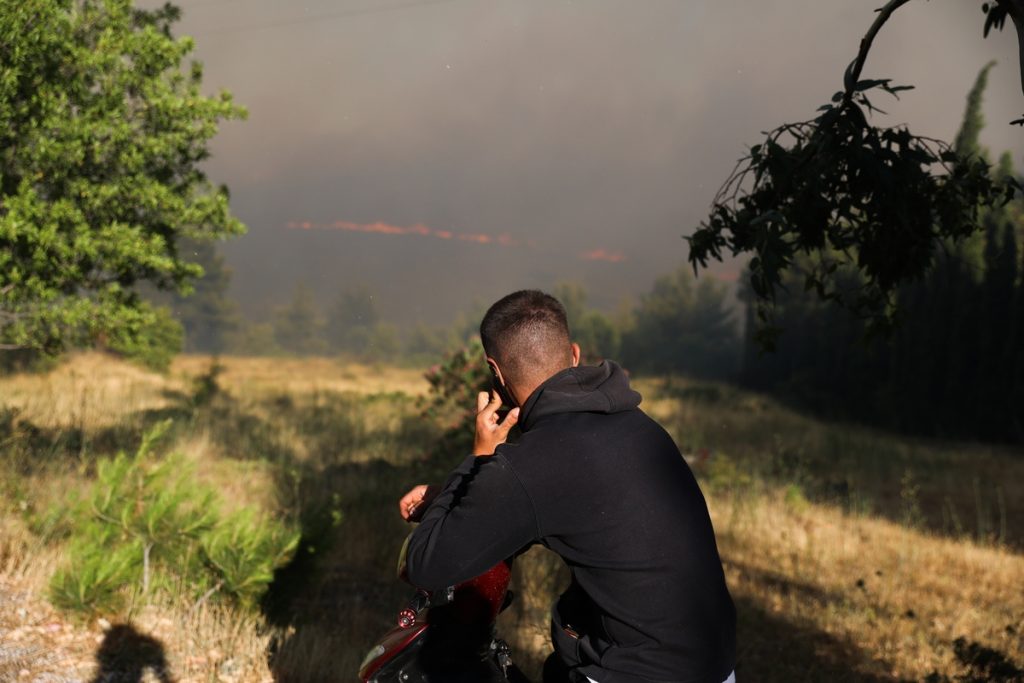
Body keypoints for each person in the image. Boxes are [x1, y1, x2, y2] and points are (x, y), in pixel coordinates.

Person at [398, 289, 736, 683]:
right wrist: (450, 494)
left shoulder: (535, 462)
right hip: (711, 664)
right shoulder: (637, 426)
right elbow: (538, 508)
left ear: (497, 372)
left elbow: (429, 565)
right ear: (573, 355)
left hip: (636, 673)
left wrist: (479, 461)